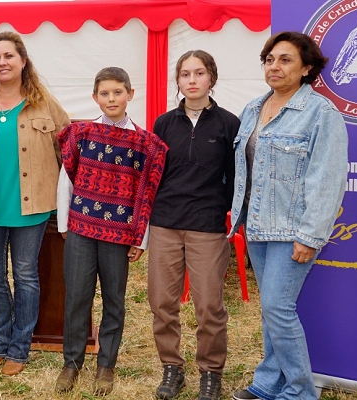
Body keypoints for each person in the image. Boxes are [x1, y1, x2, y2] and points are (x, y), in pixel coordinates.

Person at [230, 32, 348, 400]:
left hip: (292, 229)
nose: (274, 67)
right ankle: (268, 382)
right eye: (269, 59)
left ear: (307, 68)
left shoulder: (321, 113)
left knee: (277, 308)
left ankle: (300, 391)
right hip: (256, 224)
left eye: (285, 60)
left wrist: (310, 236)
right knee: (270, 311)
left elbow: (328, 179)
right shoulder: (252, 109)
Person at [55, 67, 168, 396]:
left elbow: (145, 193)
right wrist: (65, 224)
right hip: (80, 228)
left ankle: (106, 365)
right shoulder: (83, 134)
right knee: (77, 297)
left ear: (130, 95)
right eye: (104, 93)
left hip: (118, 236)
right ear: (95, 97)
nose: (111, 98)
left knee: (114, 301)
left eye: (118, 92)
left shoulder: (144, 144)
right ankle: (71, 363)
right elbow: (68, 178)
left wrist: (140, 238)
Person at [0, 31, 70, 377]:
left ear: (23, 61)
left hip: (33, 206)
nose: (2, 63)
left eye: (9, 56)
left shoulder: (45, 104)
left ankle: (19, 347)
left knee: (26, 276)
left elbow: (69, 150)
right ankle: (0, 341)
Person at [146, 50, 240, 400]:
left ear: (211, 78)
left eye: (199, 73)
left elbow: (235, 177)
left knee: (209, 306)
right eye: (185, 74)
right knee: (162, 302)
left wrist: (226, 212)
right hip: (166, 223)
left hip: (207, 225)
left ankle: (211, 372)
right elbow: (154, 174)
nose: (192, 80)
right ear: (178, 80)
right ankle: (172, 368)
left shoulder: (230, 123)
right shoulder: (164, 123)